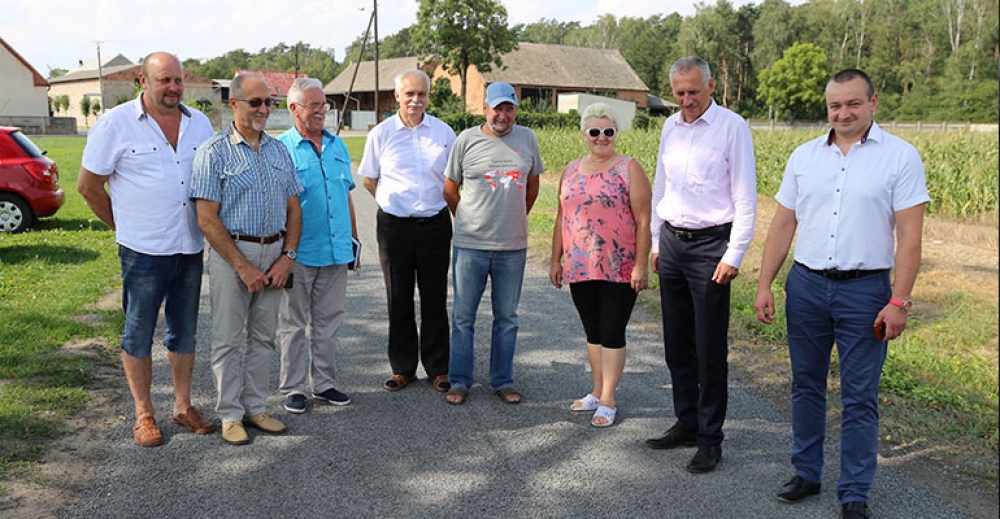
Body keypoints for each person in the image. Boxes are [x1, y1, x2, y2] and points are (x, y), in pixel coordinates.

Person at [753, 69, 928, 519]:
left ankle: (854, 491)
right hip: (807, 286)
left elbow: (910, 238)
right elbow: (783, 223)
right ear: (826, 107)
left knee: (859, 396)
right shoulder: (804, 156)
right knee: (806, 386)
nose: (843, 113)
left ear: (873, 103)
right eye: (835, 105)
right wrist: (765, 282)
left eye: (853, 104)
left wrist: (899, 301)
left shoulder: (900, 157)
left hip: (866, 292)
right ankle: (806, 473)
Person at [77, 52, 217, 447]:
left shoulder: (199, 123)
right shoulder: (116, 124)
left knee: (184, 331)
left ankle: (183, 405)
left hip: (189, 247)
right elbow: (88, 186)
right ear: (143, 80)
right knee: (138, 332)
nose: (172, 87)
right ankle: (143, 414)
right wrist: (124, 226)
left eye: (177, 80)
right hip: (142, 252)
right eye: (163, 80)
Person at [645, 57, 757, 474]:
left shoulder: (733, 127)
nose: (687, 100)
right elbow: (661, 185)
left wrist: (734, 254)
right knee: (677, 343)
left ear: (711, 85)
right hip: (673, 242)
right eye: (680, 93)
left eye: (694, 91)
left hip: (712, 247)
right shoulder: (669, 127)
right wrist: (657, 241)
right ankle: (686, 422)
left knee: (709, 347)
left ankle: (711, 438)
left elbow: (746, 196)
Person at [190, 73, 303, 446]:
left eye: (268, 102)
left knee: (264, 338)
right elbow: (206, 218)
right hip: (232, 257)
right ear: (233, 104)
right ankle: (230, 414)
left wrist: (287, 257)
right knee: (227, 340)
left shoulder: (278, 150)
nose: (263, 109)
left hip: (274, 256)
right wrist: (243, 266)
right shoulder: (214, 151)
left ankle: (255, 407)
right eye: (255, 102)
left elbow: (294, 207)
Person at [549, 103, 651, 428]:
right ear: (584, 134)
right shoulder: (571, 169)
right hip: (580, 266)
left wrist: (641, 265)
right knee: (592, 331)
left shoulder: (629, 168)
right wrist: (556, 259)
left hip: (619, 267)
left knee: (612, 331)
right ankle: (596, 391)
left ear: (615, 134)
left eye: (608, 131)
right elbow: (562, 216)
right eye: (595, 131)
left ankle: (609, 399)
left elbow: (645, 220)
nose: (602, 137)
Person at [442, 82, 544, 405]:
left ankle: (503, 379)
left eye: (509, 108)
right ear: (485, 108)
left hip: (512, 247)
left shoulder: (527, 139)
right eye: (497, 108)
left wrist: (513, 218)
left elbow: (532, 186)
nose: (503, 115)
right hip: (470, 246)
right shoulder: (466, 141)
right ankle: (459, 380)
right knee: (462, 316)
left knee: (507, 317)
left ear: (515, 110)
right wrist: (469, 220)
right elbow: (449, 189)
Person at [358, 70, 456, 393]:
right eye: (409, 94)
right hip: (395, 227)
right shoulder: (381, 134)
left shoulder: (444, 133)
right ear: (397, 96)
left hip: (435, 225)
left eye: (422, 94)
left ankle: (438, 368)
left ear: (429, 96)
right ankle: (403, 368)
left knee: (434, 299)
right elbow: (369, 179)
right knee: (398, 298)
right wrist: (392, 203)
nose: (416, 100)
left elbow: (453, 179)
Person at [275, 78, 357, 414]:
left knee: (329, 321)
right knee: (294, 324)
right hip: (298, 253)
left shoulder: (337, 145)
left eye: (325, 105)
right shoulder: (280, 149)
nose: (322, 110)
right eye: (314, 106)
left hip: (336, 252)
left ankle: (324, 384)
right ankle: (293, 388)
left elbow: (345, 194)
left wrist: (353, 240)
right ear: (294, 109)